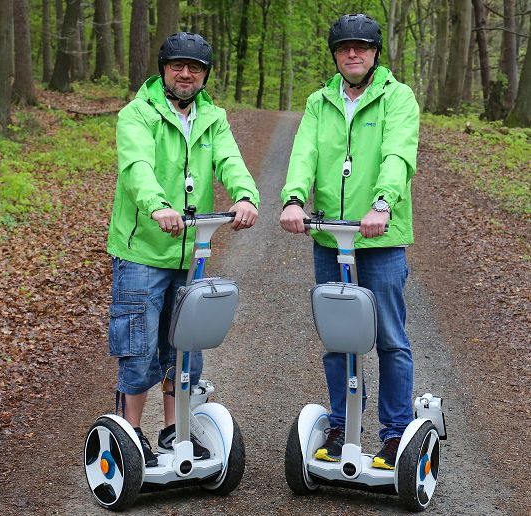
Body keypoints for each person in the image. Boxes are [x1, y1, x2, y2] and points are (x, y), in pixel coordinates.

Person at [107, 31, 259, 467]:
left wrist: (246, 195)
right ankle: (131, 436)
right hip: (141, 251)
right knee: (138, 349)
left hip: (192, 253)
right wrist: (158, 207)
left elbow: (230, 161)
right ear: (164, 69)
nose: (186, 74)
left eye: (195, 67)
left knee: (185, 348)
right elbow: (137, 168)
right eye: (178, 65)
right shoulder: (138, 114)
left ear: (206, 75)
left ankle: (175, 428)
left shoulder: (213, 118)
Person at [279, 13, 419, 470]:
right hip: (330, 236)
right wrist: (295, 198)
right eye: (344, 48)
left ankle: (396, 433)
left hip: (379, 236)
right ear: (335, 55)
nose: (353, 54)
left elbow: (399, 153)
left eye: (361, 47)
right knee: (339, 337)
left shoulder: (398, 98)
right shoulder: (320, 102)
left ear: (376, 52)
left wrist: (383, 204)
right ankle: (342, 424)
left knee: (389, 339)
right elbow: (305, 153)